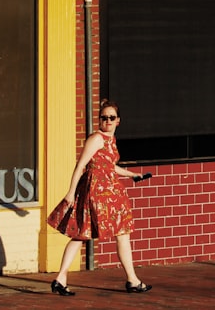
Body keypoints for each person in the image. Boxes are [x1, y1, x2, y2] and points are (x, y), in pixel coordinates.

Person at [47, 100, 152, 295]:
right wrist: (70, 192)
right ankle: (132, 280)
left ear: (118, 121)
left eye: (112, 117)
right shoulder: (96, 139)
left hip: (110, 192)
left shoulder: (110, 140)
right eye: (104, 118)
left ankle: (61, 279)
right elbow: (81, 166)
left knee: (88, 234)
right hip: (98, 193)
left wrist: (131, 175)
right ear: (99, 120)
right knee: (101, 232)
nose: (108, 121)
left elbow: (109, 166)